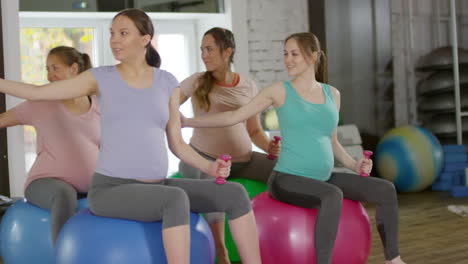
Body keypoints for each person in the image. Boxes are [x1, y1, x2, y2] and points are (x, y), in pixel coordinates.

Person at [0, 9, 262, 264]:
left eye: (123, 33)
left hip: (157, 185)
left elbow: (177, 143)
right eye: (112, 33)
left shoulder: (166, 82)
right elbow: (36, 92)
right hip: (111, 190)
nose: (115, 39)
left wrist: (209, 166)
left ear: (145, 39)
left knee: (235, 193)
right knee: (175, 199)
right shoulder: (100, 78)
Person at [183, 32, 407, 264]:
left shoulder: (333, 94)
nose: (287, 59)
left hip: (323, 178)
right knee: (332, 196)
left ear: (312, 57)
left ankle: (393, 258)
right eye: (285, 54)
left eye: (294, 54)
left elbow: (331, 141)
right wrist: (188, 122)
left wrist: (354, 163)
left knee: (385, 189)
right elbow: (234, 116)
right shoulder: (279, 91)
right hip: (287, 180)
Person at [178, 27, 280, 263]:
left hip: (243, 159)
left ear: (227, 52)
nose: (204, 54)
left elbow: (254, 130)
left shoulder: (248, 86)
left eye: (209, 49)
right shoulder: (196, 81)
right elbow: (168, 107)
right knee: (215, 187)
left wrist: (269, 148)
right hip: (205, 158)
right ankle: (221, 252)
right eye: (202, 49)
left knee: (285, 170)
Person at [0, 46, 99, 244]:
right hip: (46, 182)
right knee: (64, 195)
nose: (50, 75)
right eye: (47, 69)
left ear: (74, 69)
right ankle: (64, 255)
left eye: (55, 68)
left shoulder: (98, 103)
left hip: (93, 184)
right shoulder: (40, 103)